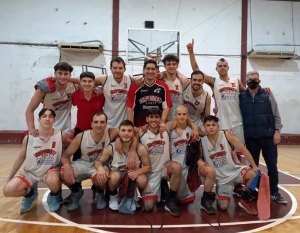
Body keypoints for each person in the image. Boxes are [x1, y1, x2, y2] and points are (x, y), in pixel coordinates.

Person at [60, 112, 137, 210]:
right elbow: (65, 156)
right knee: (62, 172)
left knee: (103, 178)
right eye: (96, 122)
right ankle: (76, 192)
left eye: (102, 122)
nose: (99, 125)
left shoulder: (111, 132)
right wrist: (67, 166)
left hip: (100, 165)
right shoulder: (81, 136)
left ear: (106, 124)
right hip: (84, 163)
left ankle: (100, 193)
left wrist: (132, 152)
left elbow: (133, 133)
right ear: (91, 124)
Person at [3, 109, 70, 213]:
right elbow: (20, 158)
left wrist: (67, 162)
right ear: (39, 120)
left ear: (54, 120)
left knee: (53, 179)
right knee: (8, 190)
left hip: (50, 171)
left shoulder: (61, 135)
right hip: (30, 172)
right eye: (44, 116)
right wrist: (9, 179)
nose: (47, 119)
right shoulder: (29, 138)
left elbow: (73, 145)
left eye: (50, 116)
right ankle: (30, 194)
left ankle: (55, 196)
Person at [239, 71, 286, 204]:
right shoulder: (242, 97)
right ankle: (253, 191)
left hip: (268, 137)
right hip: (251, 138)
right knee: (253, 167)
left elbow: (276, 113)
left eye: (255, 79)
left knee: (272, 166)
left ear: (259, 81)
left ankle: (274, 192)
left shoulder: (267, 94)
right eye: (249, 79)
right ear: (246, 81)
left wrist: (277, 131)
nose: (252, 81)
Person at [138, 108, 194, 217]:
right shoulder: (141, 132)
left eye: (156, 117)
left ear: (160, 118)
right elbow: (131, 138)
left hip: (165, 169)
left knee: (176, 167)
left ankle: (171, 200)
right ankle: (161, 186)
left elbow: (183, 119)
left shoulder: (166, 128)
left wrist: (195, 127)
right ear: (147, 119)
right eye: (151, 117)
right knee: (148, 207)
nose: (154, 120)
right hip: (151, 173)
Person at [201, 115, 260, 215]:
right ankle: (219, 192)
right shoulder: (202, 142)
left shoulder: (226, 135)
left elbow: (242, 149)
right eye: (208, 125)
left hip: (235, 171)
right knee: (223, 207)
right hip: (222, 180)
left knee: (254, 175)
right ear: (205, 127)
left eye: (213, 125)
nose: (211, 127)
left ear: (218, 126)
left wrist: (254, 166)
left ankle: (245, 200)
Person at [94, 120, 151, 211]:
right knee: (114, 176)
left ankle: (134, 196)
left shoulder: (140, 148)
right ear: (119, 132)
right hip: (117, 178)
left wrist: (138, 171)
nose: (126, 133)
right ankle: (113, 197)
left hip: (132, 177)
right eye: (123, 130)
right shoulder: (111, 147)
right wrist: (100, 168)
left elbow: (148, 166)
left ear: (133, 133)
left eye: (129, 131)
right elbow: (98, 162)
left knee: (143, 179)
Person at [170, 105, 216, 214]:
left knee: (210, 171)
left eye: (184, 114)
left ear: (188, 116)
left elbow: (209, 136)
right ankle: (169, 194)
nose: (181, 116)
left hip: (192, 166)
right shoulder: (169, 129)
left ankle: (206, 199)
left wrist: (225, 133)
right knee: (183, 200)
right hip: (176, 168)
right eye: (179, 114)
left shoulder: (194, 129)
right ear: (175, 115)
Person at [26, 62, 78, 136]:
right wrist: (31, 129)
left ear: (70, 75)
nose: (63, 77)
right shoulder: (43, 89)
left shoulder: (74, 87)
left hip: (65, 129)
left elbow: (90, 80)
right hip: (46, 128)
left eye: (66, 74)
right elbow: (30, 110)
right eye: (60, 73)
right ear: (55, 74)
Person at [127, 59, 172, 127]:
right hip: (140, 127)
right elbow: (130, 108)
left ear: (156, 71)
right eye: (148, 69)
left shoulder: (163, 86)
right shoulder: (135, 86)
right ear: (143, 70)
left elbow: (166, 107)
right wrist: (131, 127)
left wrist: (162, 122)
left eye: (153, 69)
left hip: (156, 127)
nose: (150, 71)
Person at [71, 71, 105, 160]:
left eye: (90, 81)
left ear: (94, 83)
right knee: (76, 157)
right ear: (80, 82)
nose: (87, 83)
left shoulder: (101, 95)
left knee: (99, 156)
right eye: (84, 81)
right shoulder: (75, 95)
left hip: (98, 129)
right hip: (80, 129)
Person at [161, 54, 189, 121]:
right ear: (164, 66)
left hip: (179, 118)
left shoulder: (182, 81)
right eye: (168, 64)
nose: (171, 66)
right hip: (164, 118)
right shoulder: (161, 81)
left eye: (174, 64)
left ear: (177, 66)